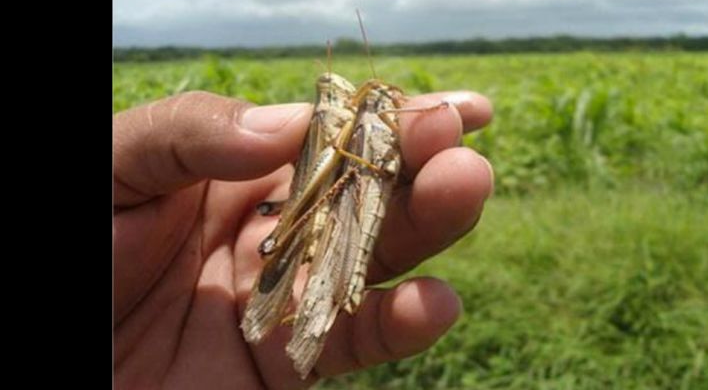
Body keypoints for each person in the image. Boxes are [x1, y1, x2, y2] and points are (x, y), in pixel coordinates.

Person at [113, 90, 494, 389]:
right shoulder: (343, 120)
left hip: (343, 187)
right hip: (328, 190)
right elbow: (341, 157)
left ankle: (314, 299)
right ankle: (297, 292)